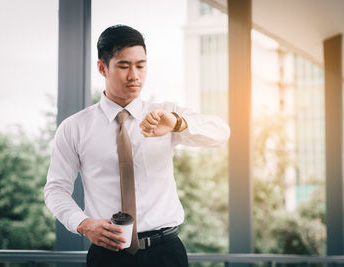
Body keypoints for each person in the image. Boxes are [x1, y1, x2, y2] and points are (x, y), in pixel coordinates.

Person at [44, 24, 230, 267]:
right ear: (102, 67)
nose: (135, 75)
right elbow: (55, 189)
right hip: (107, 255)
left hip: (166, 253)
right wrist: (83, 223)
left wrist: (177, 124)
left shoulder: (165, 115)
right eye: (124, 66)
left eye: (141, 66)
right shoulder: (74, 128)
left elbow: (221, 133)